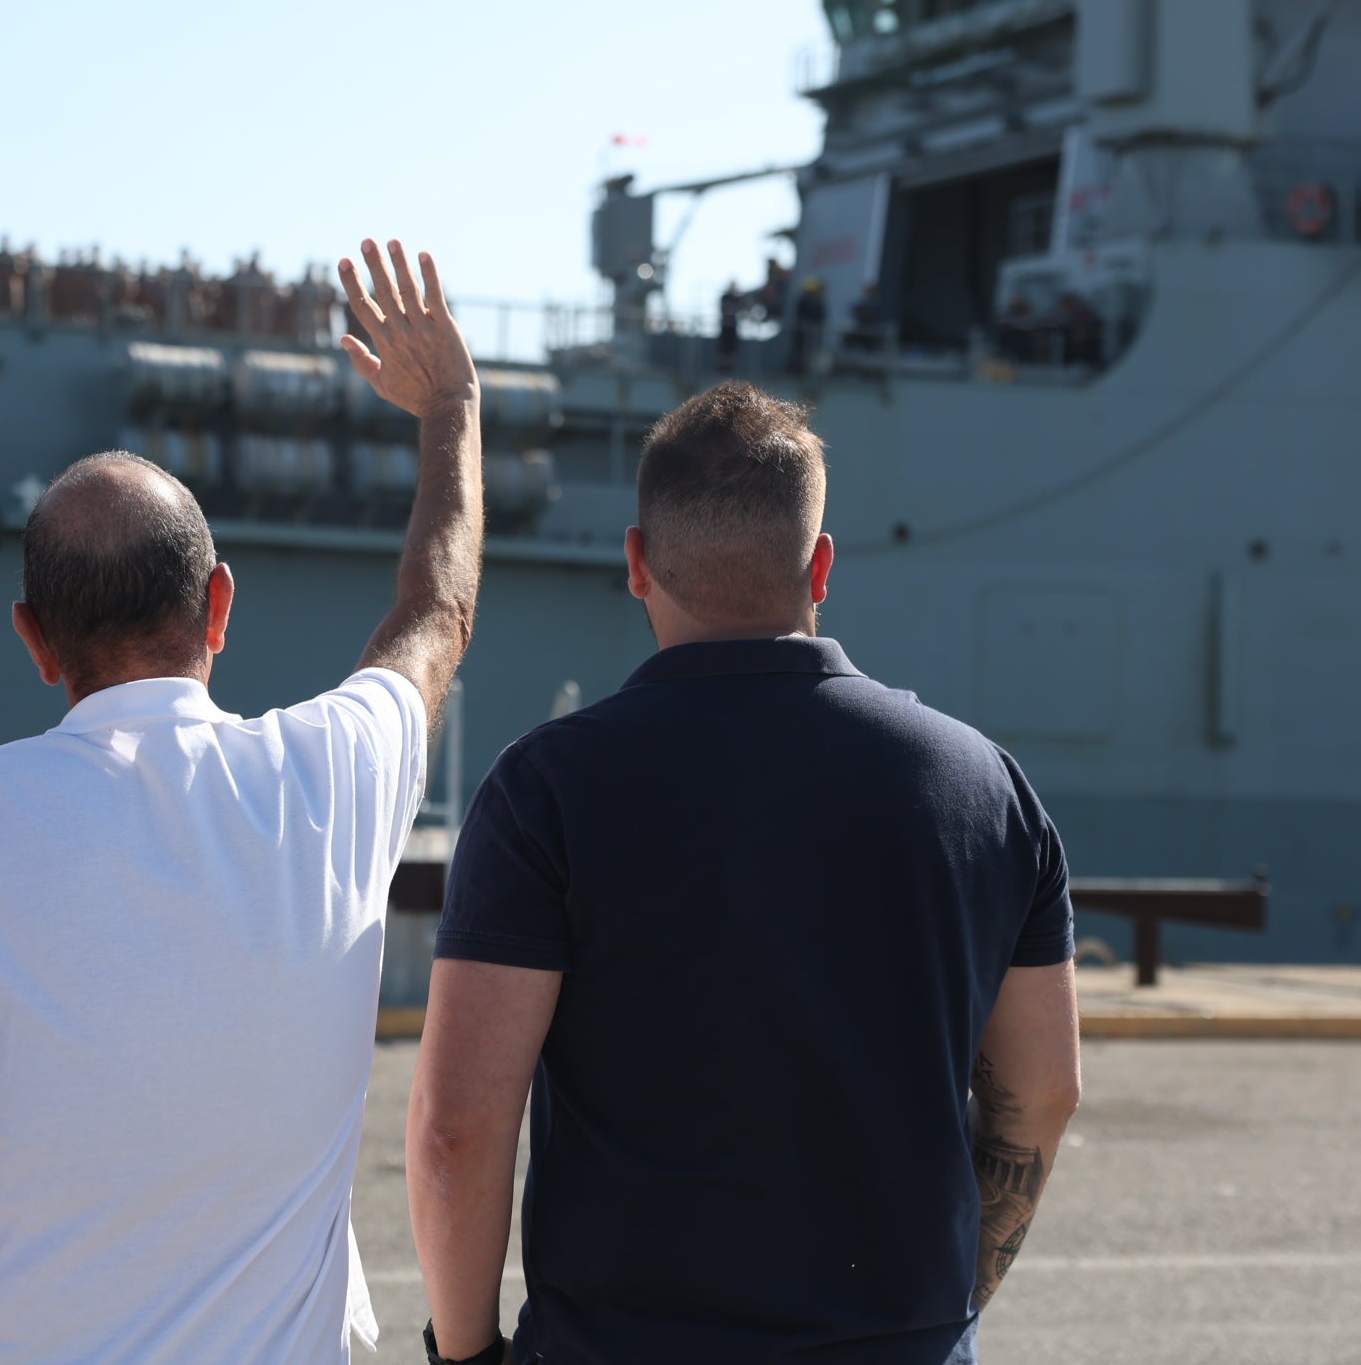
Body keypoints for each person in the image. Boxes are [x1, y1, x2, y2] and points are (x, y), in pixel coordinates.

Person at [0, 237, 483, 1364]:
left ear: (32, 640)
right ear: (219, 605)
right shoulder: (333, 774)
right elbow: (435, 610)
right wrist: (451, 406)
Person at [409, 380, 1081, 1365]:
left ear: (637, 563)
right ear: (821, 565)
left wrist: (463, 1357)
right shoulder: (988, 789)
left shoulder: (543, 791)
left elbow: (457, 1128)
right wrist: (939, 1308)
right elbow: (1041, 1093)